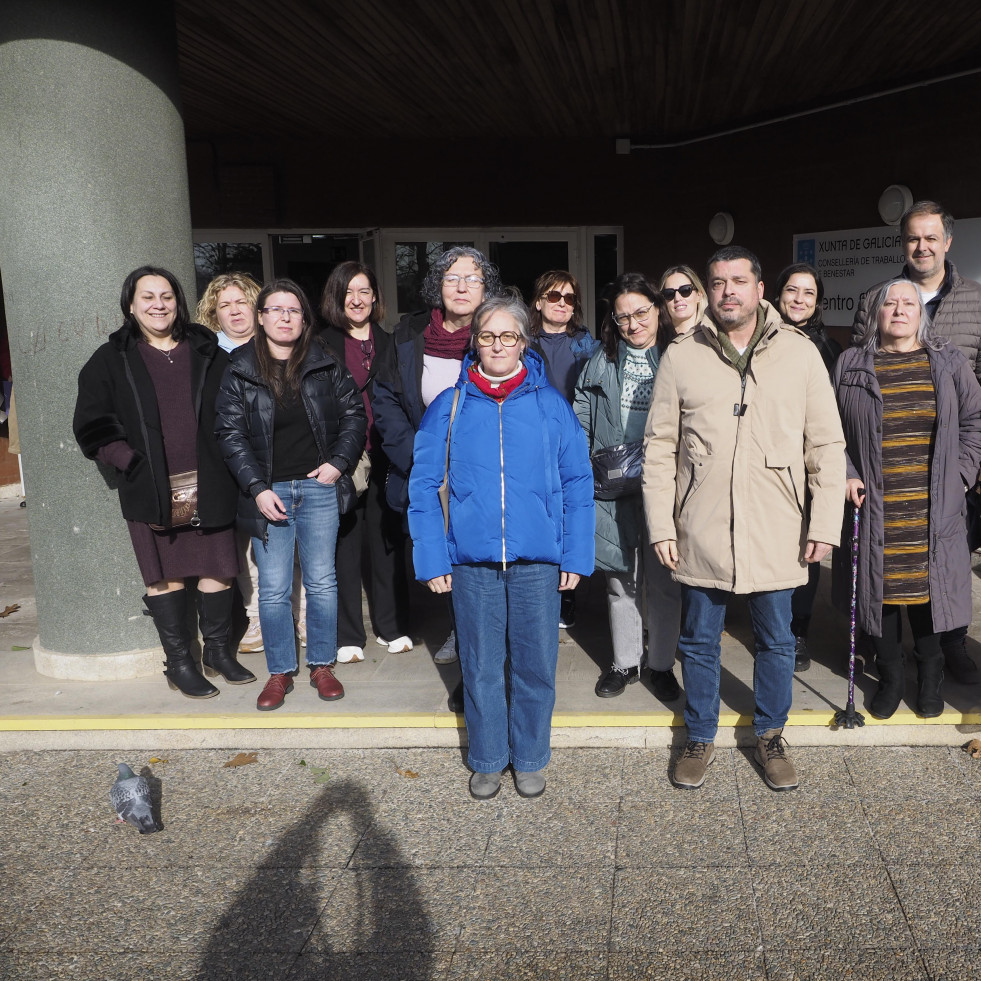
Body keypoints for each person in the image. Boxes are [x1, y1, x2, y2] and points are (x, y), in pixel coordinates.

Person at [644, 246, 845, 792]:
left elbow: (825, 443)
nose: (727, 291)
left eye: (738, 281)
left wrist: (824, 524)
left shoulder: (800, 354)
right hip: (701, 524)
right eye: (717, 282)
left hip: (777, 522)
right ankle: (701, 733)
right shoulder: (682, 355)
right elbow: (660, 447)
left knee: (777, 640)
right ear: (707, 292)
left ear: (760, 290)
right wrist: (662, 524)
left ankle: (771, 732)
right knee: (698, 638)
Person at [408, 294, 594, 800]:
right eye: (487, 336)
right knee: (482, 664)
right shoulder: (449, 407)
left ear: (522, 342)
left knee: (535, 665)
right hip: (473, 561)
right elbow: (424, 485)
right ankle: (488, 757)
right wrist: (432, 557)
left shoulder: (549, 405)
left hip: (537, 559)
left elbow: (578, 480)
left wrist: (576, 553)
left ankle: (531, 755)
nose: (497, 345)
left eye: (508, 336)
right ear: (475, 342)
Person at [73, 266, 252, 699]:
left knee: (219, 569)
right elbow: (91, 422)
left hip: (210, 479)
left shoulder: (208, 350)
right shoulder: (110, 358)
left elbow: (240, 409)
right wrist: (126, 460)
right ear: (131, 305)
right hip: (152, 485)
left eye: (167, 296)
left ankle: (217, 651)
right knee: (164, 577)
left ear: (179, 302)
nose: (159, 305)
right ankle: (178, 663)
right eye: (148, 297)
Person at [215, 278, 366, 711]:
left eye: (293, 310)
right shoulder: (240, 368)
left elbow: (354, 416)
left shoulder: (324, 362)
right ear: (261, 318)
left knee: (321, 582)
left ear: (304, 318)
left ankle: (321, 664)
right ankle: (280, 671)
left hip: (318, 487)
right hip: (269, 493)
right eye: (275, 310)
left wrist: (338, 464)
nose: (285, 317)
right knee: (275, 588)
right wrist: (257, 488)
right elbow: (229, 433)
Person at [835, 279, 981, 718]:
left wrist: (960, 474)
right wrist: (845, 472)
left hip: (933, 502)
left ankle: (931, 670)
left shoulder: (949, 362)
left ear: (922, 313)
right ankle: (892, 674)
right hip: (877, 501)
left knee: (928, 589)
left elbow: (975, 422)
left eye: (908, 303)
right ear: (876, 313)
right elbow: (826, 430)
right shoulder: (850, 364)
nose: (899, 310)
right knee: (882, 588)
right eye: (889, 303)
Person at [373, 246, 503, 673]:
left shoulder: (497, 334)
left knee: (479, 558)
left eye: (473, 279)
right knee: (444, 557)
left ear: (487, 289)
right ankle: (462, 632)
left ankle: (477, 645)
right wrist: (419, 457)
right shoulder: (407, 336)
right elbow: (387, 399)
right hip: (428, 469)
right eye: (452, 278)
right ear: (437, 286)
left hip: (483, 471)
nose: (462, 287)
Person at [574, 273, 682, 702]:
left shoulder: (680, 356)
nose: (634, 324)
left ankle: (661, 665)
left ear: (658, 309)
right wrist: (582, 470)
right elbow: (581, 420)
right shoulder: (599, 363)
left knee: (664, 581)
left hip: (665, 483)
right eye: (623, 318)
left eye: (641, 313)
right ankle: (624, 663)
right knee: (620, 581)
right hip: (611, 484)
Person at [197, 272, 305, 655]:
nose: (234, 311)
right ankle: (257, 616)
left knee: (289, 545)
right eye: (224, 305)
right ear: (214, 313)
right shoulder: (207, 356)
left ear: (257, 309)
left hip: (282, 464)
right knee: (244, 547)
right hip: (229, 466)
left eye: (241, 301)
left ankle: (299, 613)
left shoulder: (282, 344)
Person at [320, 261, 411, 662]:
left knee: (387, 540)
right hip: (343, 457)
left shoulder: (393, 342)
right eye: (348, 292)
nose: (356, 300)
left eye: (363, 291)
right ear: (337, 298)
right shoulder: (321, 343)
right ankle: (348, 636)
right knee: (345, 543)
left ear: (375, 297)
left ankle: (391, 626)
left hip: (386, 452)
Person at [773, 262, 842, 672]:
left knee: (806, 552)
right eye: (792, 291)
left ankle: (797, 631)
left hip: (807, 466)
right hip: (766, 463)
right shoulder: (757, 339)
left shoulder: (827, 349)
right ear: (778, 293)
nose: (799, 300)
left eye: (809, 294)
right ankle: (771, 625)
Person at [529, 269, 599, 628]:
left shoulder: (590, 346)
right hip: (532, 445)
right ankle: (542, 592)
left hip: (572, 445)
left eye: (569, 298)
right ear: (539, 302)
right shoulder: (521, 343)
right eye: (554, 296)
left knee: (568, 519)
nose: (561, 303)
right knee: (540, 519)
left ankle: (566, 596)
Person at [658, 265, 708, 335]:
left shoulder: (713, 336)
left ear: (699, 295)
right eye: (669, 293)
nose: (677, 298)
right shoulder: (658, 341)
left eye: (685, 290)